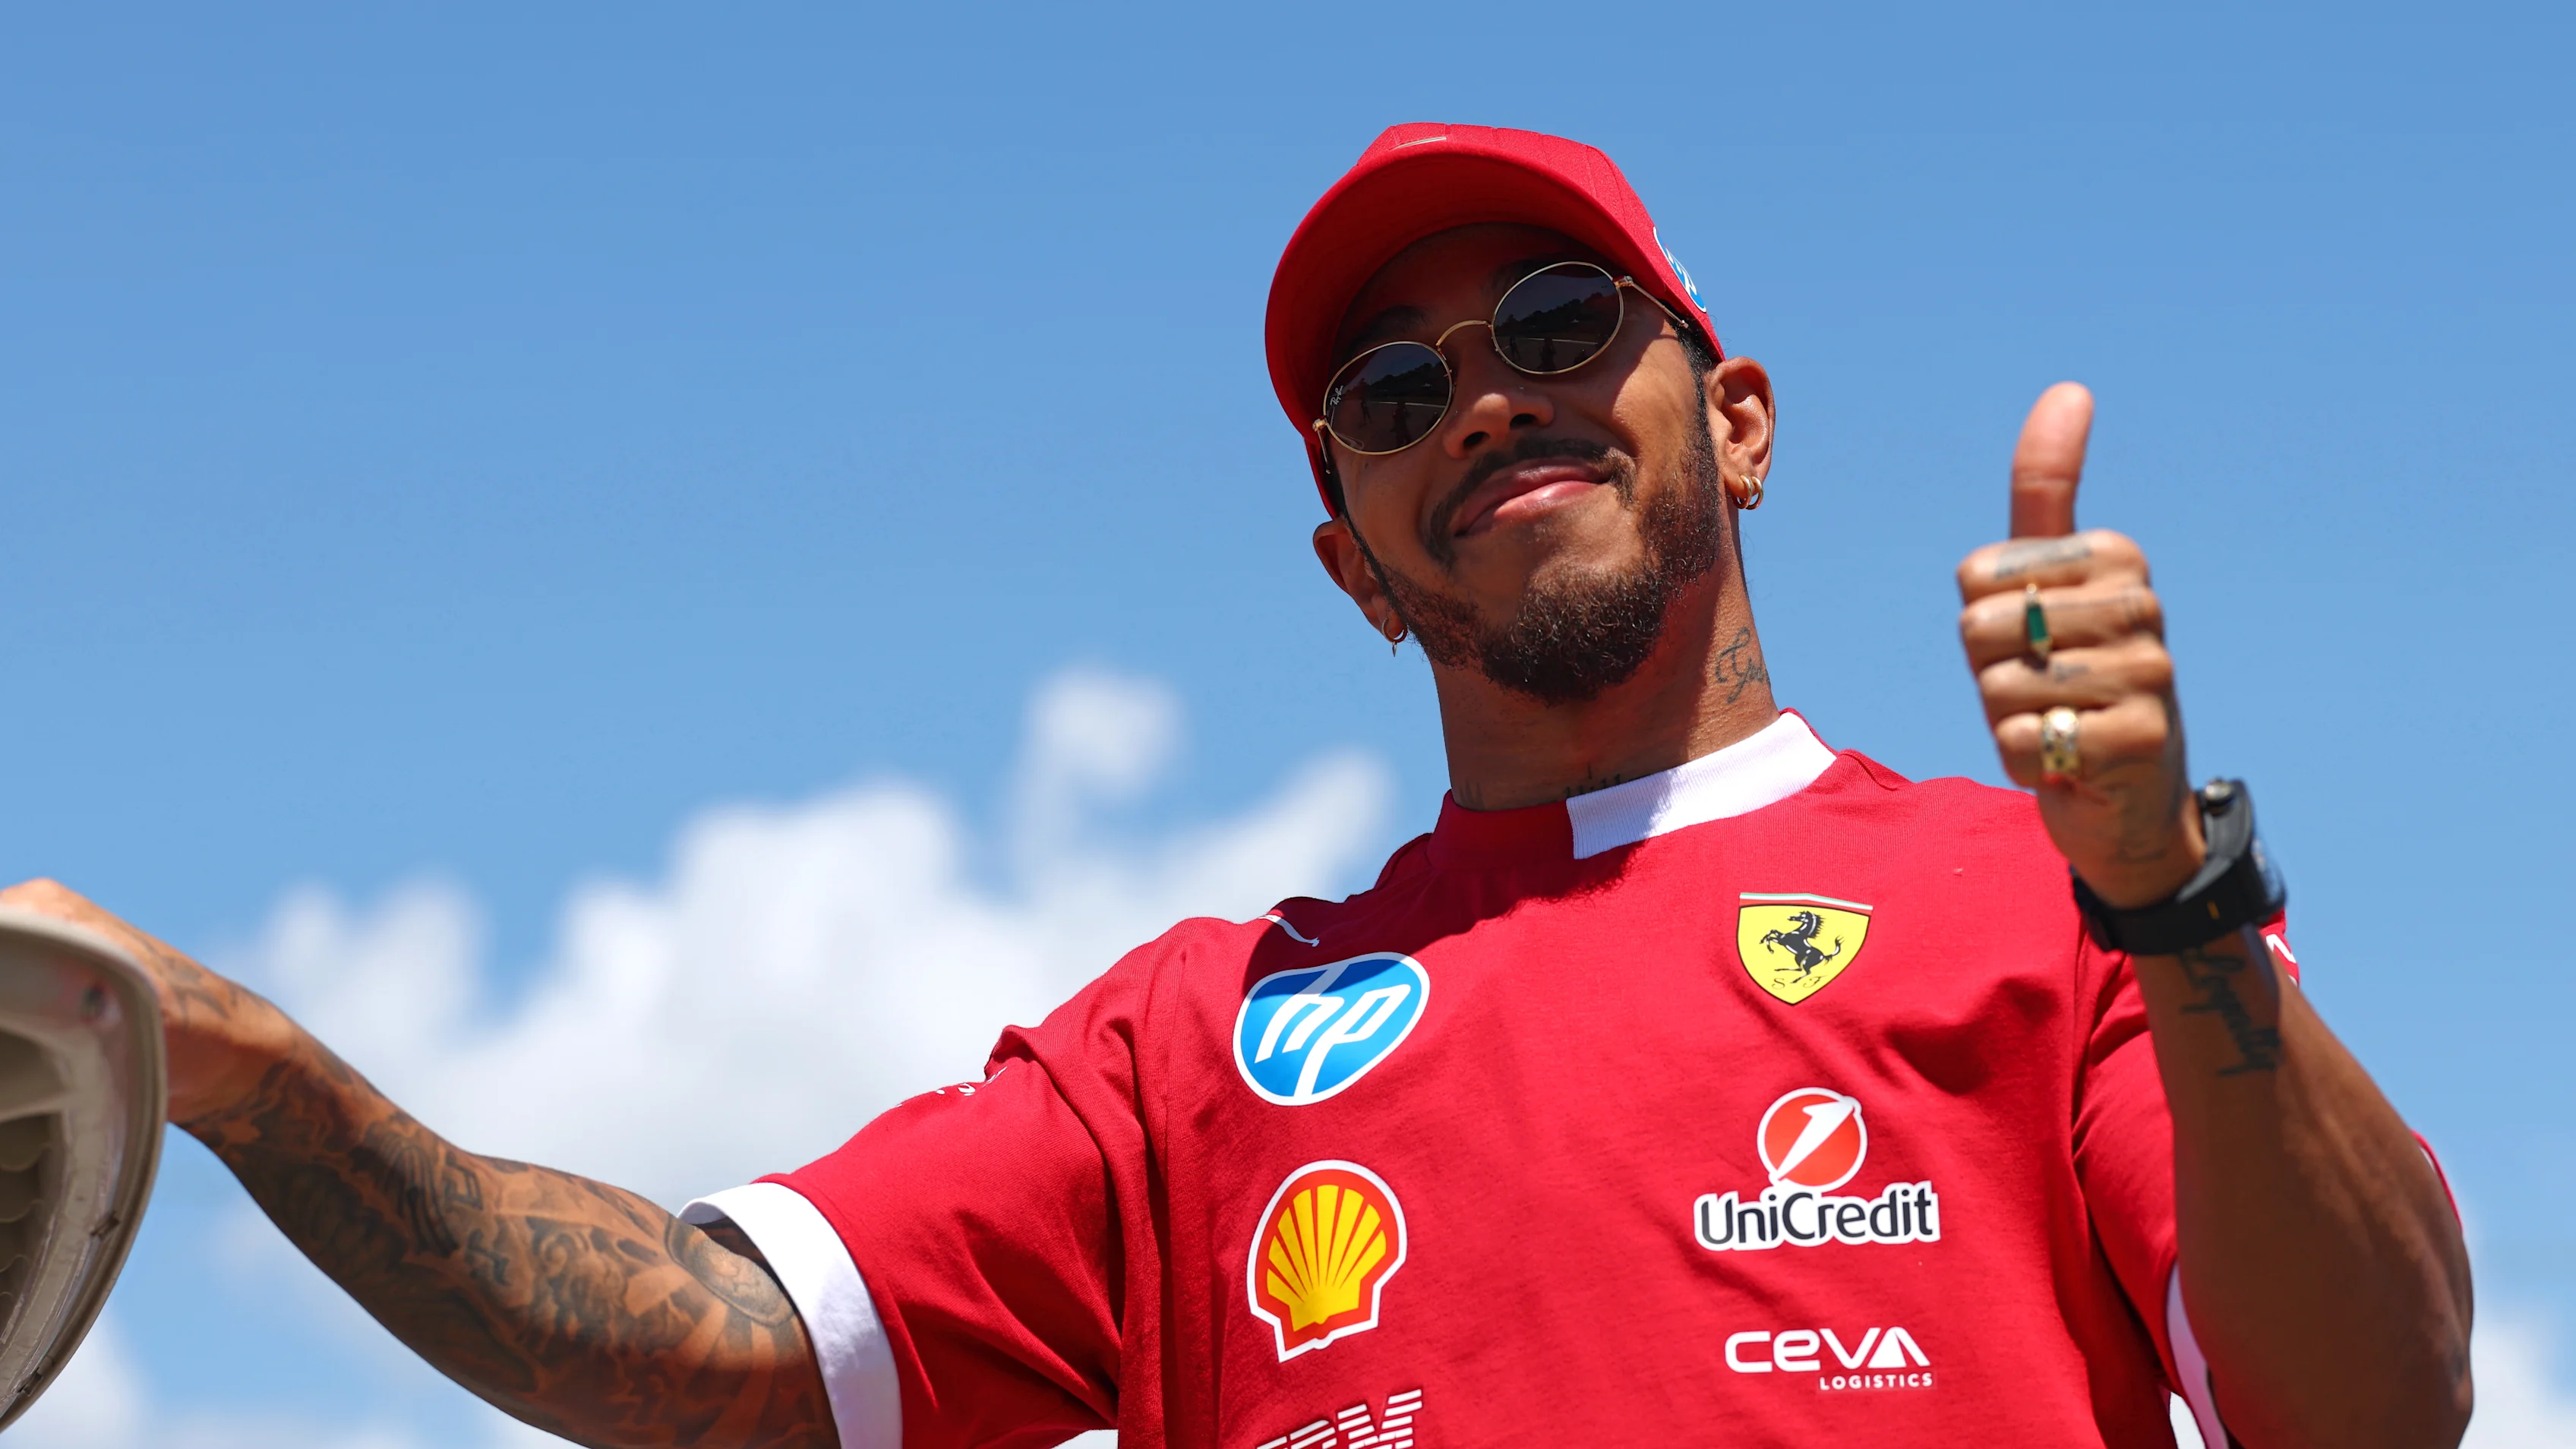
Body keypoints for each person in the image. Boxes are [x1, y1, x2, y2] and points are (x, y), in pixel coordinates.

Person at [6, 123, 2472, 1449]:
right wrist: (250, 1066)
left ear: (1732, 414)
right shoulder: (1198, 1048)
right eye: (1389, 394)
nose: (1479, 393)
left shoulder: (2043, 902)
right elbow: (716, 1354)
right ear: (1348, 562)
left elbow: (2380, 1411)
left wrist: (2161, 887)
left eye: (1550, 319)